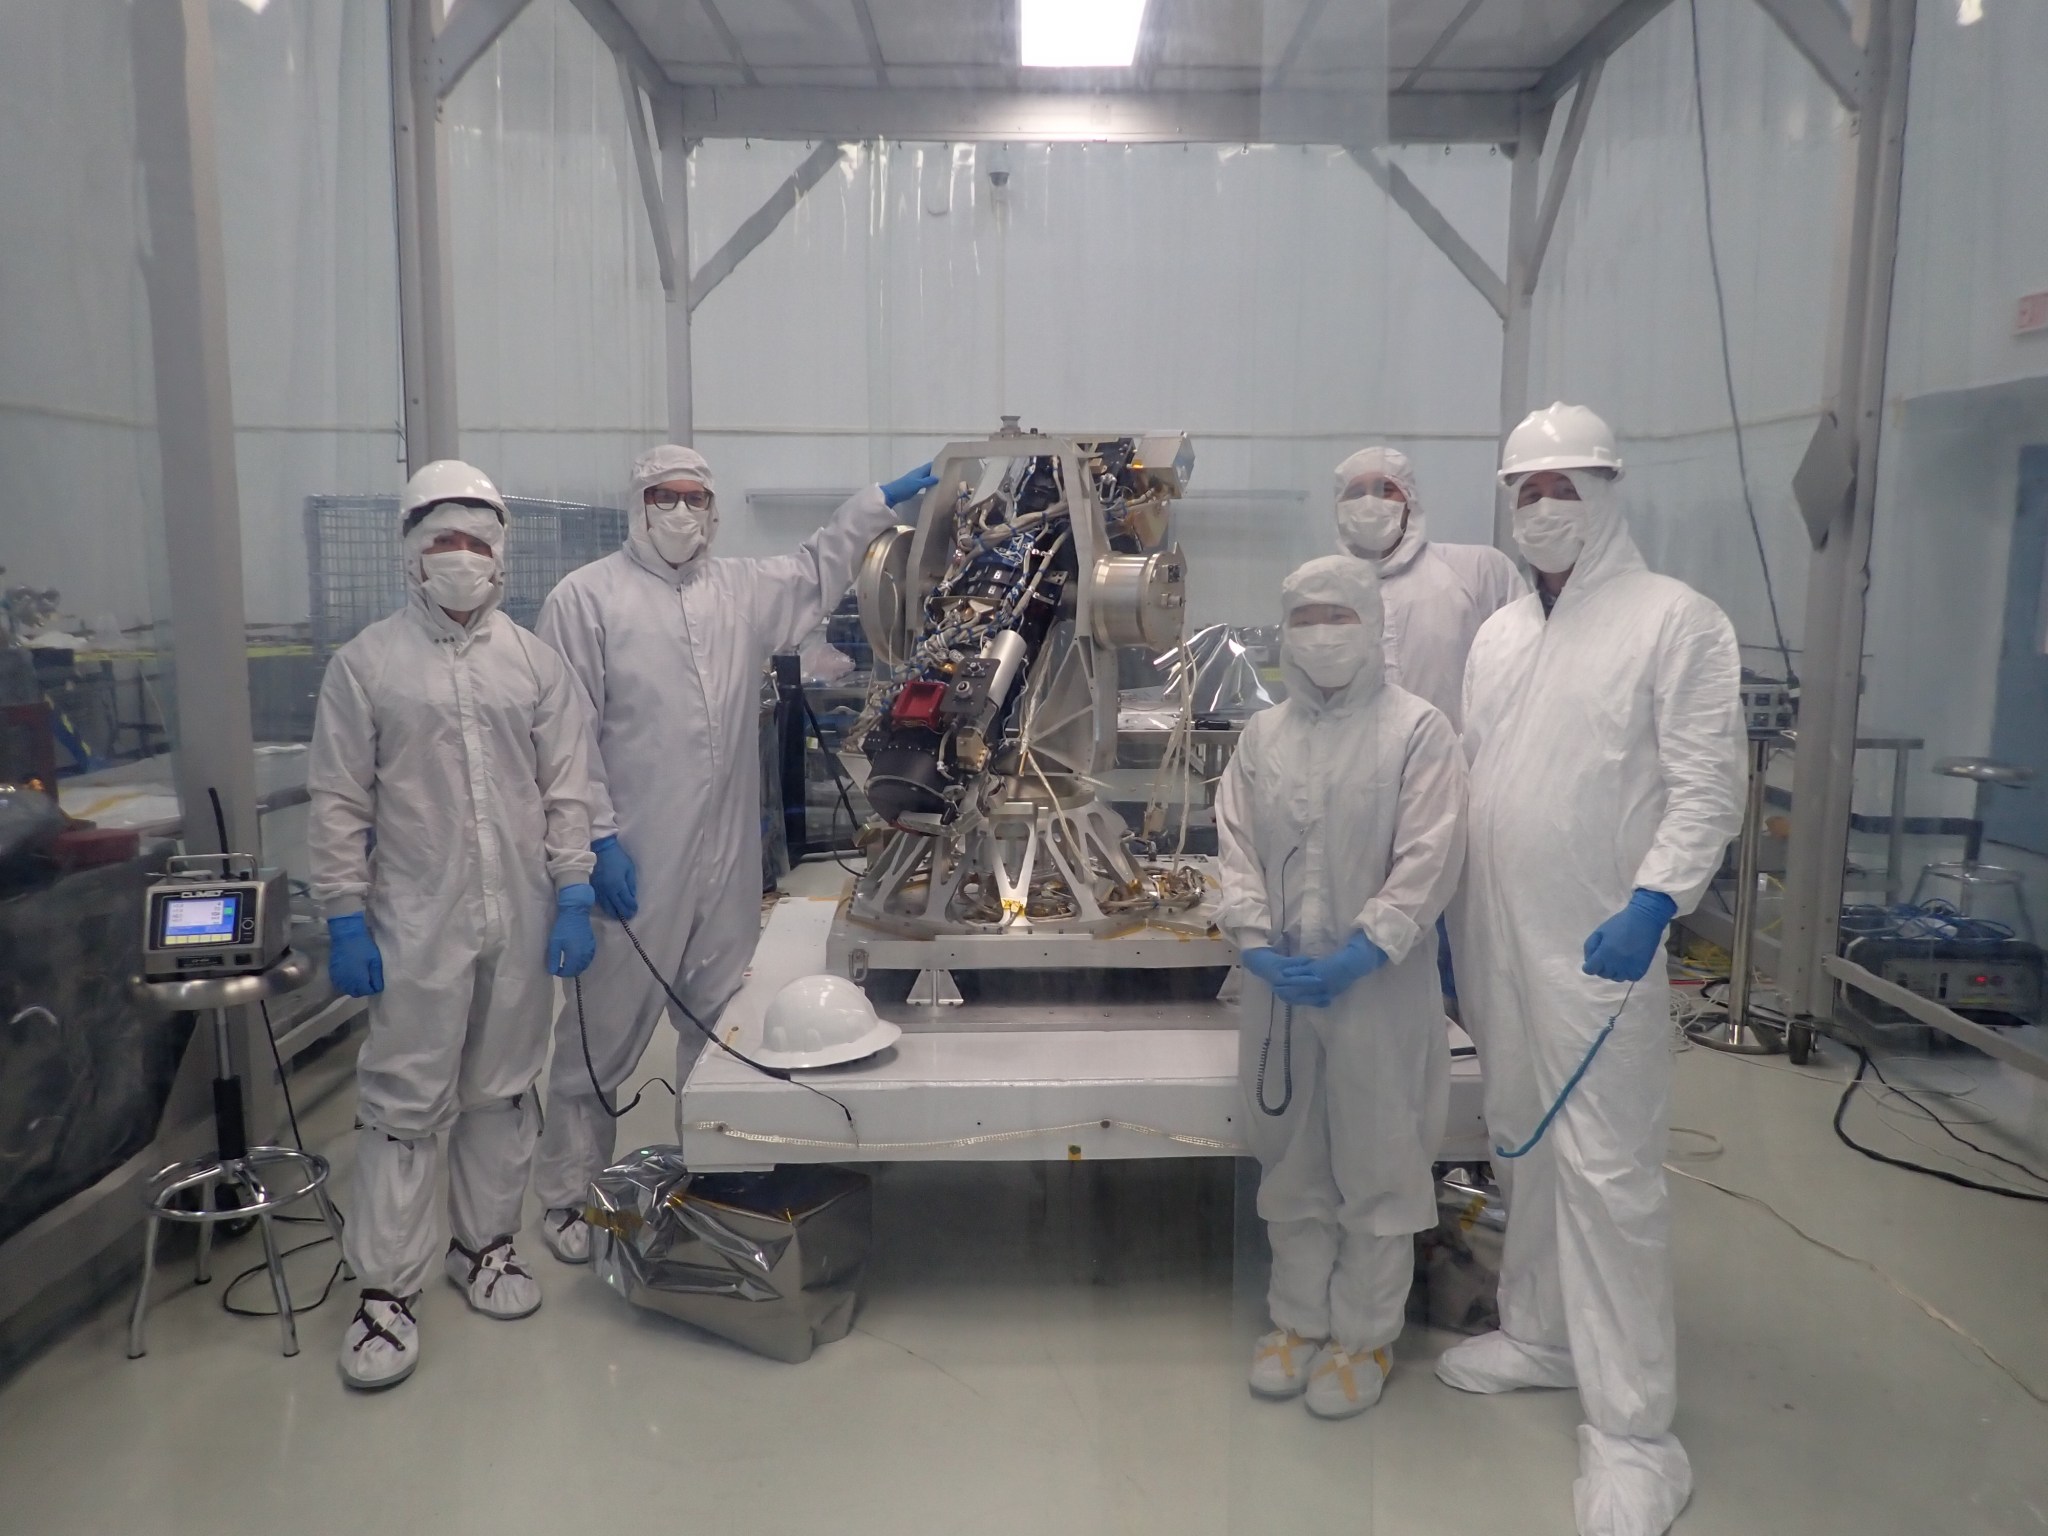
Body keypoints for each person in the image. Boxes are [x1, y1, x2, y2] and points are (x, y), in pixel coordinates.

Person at [1437, 404, 1743, 1535]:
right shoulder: (1501, 636)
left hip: (1601, 944)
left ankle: (1632, 1433)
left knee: (1609, 1177)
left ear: (1610, 490)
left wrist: (1656, 898)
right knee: (1517, 1139)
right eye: (1528, 488)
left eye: (1567, 485)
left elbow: (1705, 781)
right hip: (1496, 937)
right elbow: (1479, 777)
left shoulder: (1677, 623)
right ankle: (1542, 1334)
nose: (1546, 507)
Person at [528, 445, 939, 1261]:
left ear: (713, 510)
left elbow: (818, 565)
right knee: (599, 1037)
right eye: (662, 496)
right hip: (631, 855)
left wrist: (876, 501)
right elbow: (564, 739)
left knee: (716, 1025)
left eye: (693, 498)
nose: (679, 513)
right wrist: (594, 844)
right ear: (637, 504)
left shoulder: (740, 590)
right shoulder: (587, 599)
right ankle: (569, 1197)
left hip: (724, 857)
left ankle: (710, 1170)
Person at [309, 459, 604, 1390]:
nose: (462, 558)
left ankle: (484, 1247)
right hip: (412, 921)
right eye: (444, 541)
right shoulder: (366, 666)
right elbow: (336, 803)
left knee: (504, 1090)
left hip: (518, 915)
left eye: (478, 542)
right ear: (411, 554)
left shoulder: (535, 663)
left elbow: (568, 791)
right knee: (404, 1103)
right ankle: (385, 1293)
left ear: (502, 556)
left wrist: (573, 892)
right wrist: (344, 916)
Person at [1214, 555, 1467, 1421]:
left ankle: (1364, 1335)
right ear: (1286, 631)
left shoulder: (1418, 730)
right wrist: (1252, 941)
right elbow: (1235, 845)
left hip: (1378, 989)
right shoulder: (1263, 737)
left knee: (1379, 1156)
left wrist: (1371, 948)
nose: (1322, 633)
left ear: (1371, 624)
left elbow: (1432, 855)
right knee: (1290, 1156)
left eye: (1339, 615)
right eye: (1307, 616)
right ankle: (1295, 1322)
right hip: (1282, 989)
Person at [1331, 445, 1523, 732]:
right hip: (1359, 767)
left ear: (1410, 501)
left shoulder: (1478, 570)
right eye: (1356, 493)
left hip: (1461, 766)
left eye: (1385, 489)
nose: (1369, 502)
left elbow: (1522, 669)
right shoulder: (1327, 591)